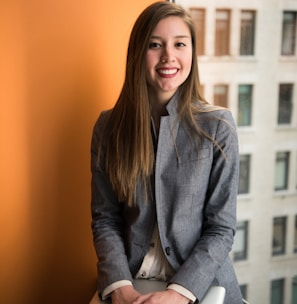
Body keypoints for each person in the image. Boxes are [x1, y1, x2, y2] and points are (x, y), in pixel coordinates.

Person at [91, 2, 243, 303]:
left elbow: (221, 228)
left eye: (179, 44)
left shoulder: (218, 126)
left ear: (191, 53)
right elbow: (105, 219)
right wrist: (119, 286)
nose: (168, 56)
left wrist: (177, 294)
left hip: (202, 287)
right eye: (155, 44)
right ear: (138, 53)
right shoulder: (108, 126)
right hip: (130, 281)